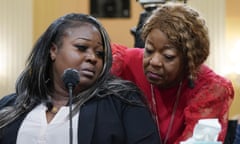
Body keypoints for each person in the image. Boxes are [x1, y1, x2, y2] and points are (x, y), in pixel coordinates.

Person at [0, 13, 161, 144]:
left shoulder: (122, 103)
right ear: (53, 50)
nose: (93, 58)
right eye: (81, 48)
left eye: (100, 54)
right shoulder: (9, 106)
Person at [111, 3, 234, 144]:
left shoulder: (210, 88)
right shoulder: (126, 63)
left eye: (168, 56)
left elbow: (197, 140)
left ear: (190, 61)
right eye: (149, 50)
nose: (154, 62)